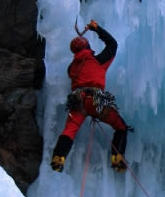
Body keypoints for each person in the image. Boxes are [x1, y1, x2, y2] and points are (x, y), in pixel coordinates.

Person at [50, 21, 128, 173]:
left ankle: (58, 157)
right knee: (121, 127)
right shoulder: (97, 61)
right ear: (87, 48)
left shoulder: (72, 68)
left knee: (70, 130)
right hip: (95, 99)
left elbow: (73, 73)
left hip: (77, 101)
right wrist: (97, 28)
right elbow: (112, 44)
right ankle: (117, 159)